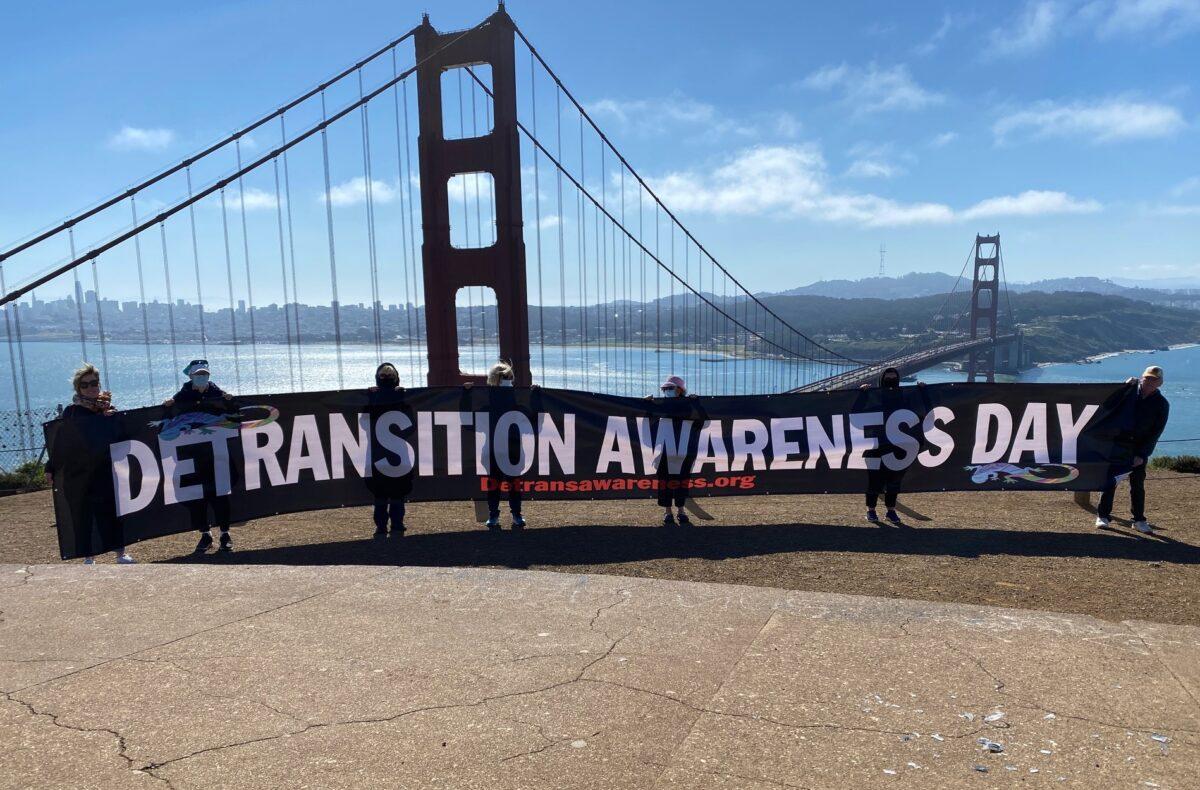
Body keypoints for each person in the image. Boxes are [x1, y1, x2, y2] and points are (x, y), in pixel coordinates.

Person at [45, 363, 134, 564]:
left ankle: (120, 553)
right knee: (83, 514)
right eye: (85, 385)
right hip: (79, 474)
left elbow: (122, 437)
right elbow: (61, 442)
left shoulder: (109, 410)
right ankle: (89, 556)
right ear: (79, 389)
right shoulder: (72, 412)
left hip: (105, 471)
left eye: (94, 383)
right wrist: (50, 467)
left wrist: (112, 419)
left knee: (112, 512)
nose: (91, 387)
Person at [162, 359, 239, 553]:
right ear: (190, 376)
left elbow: (234, 416)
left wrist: (231, 402)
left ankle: (224, 533)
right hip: (192, 455)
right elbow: (170, 418)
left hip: (217, 453)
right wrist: (167, 406)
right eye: (198, 374)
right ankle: (205, 534)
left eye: (204, 374)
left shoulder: (218, 393)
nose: (202, 377)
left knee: (220, 494)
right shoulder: (183, 395)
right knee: (196, 497)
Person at [1096, 365, 1169, 534]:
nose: (1150, 382)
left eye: (1154, 380)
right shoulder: (1128, 394)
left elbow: (1155, 432)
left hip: (1138, 450)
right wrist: (1122, 387)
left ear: (1160, 383)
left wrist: (1142, 454)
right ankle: (1103, 516)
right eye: (1147, 378)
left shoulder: (1162, 404)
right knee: (1110, 482)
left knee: (1137, 485)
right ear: (1141, 378)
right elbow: (1107, 406)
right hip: (1118, 446)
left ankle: (1138, 520)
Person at [859, 367, 908, 526]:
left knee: (894, 481)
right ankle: (871, 510)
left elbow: (922, 410)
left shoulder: (903, 397)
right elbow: (856, 413)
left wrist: (923, 392)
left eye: (894, 378)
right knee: (873, 480)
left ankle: (891, 511)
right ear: (882, 379)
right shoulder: (873, 397)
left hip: (897, 446)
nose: (891, 380)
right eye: (888, 378)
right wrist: (862, 395)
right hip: (873, 447)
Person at [479, 361, 525, 530]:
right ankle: (516, 515)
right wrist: (536, 395)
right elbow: (537, 419)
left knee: (494, 484)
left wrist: (466, 394)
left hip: (493, 448)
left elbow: (467, 422)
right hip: (512, 447)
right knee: (513, 484)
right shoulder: (518, 398)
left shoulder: (486, 400)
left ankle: (494, 515)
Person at [648, 375, 699, 527]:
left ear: (680, 390)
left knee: (682, 483)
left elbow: (703, 420)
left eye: (670, 388)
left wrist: (696, 403)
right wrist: (644, 404)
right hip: (665, 452)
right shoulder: (661, 405)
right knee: (664, 482)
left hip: (684, 452)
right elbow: (647, 420)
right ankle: (668, 512)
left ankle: (681, 511)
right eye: (665, 389)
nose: (666, 391)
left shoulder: (690, 405)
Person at [367, 362, 409, 538]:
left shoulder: (403, 400)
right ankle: (387, 526)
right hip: (387, 455)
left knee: (391, 493)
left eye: (389, 375)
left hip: (387, 455)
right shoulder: (402, 400)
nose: (386, 378)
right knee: (383, 493)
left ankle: (392, 526)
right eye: (383, 375)